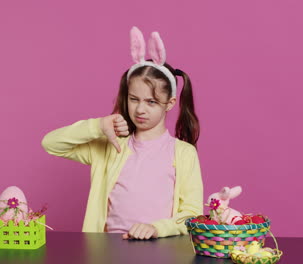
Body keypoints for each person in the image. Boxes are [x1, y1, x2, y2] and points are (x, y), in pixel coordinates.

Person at [42, 26, 203, 240]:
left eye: (151, 102)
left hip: (162, 248)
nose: (140, 109)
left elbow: (192, 214)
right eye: (134, 99)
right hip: (107, 249)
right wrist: (98, 125)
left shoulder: (184, 153)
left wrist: (158, 228)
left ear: (170, 103)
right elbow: (51, 143)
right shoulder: (111, 145)